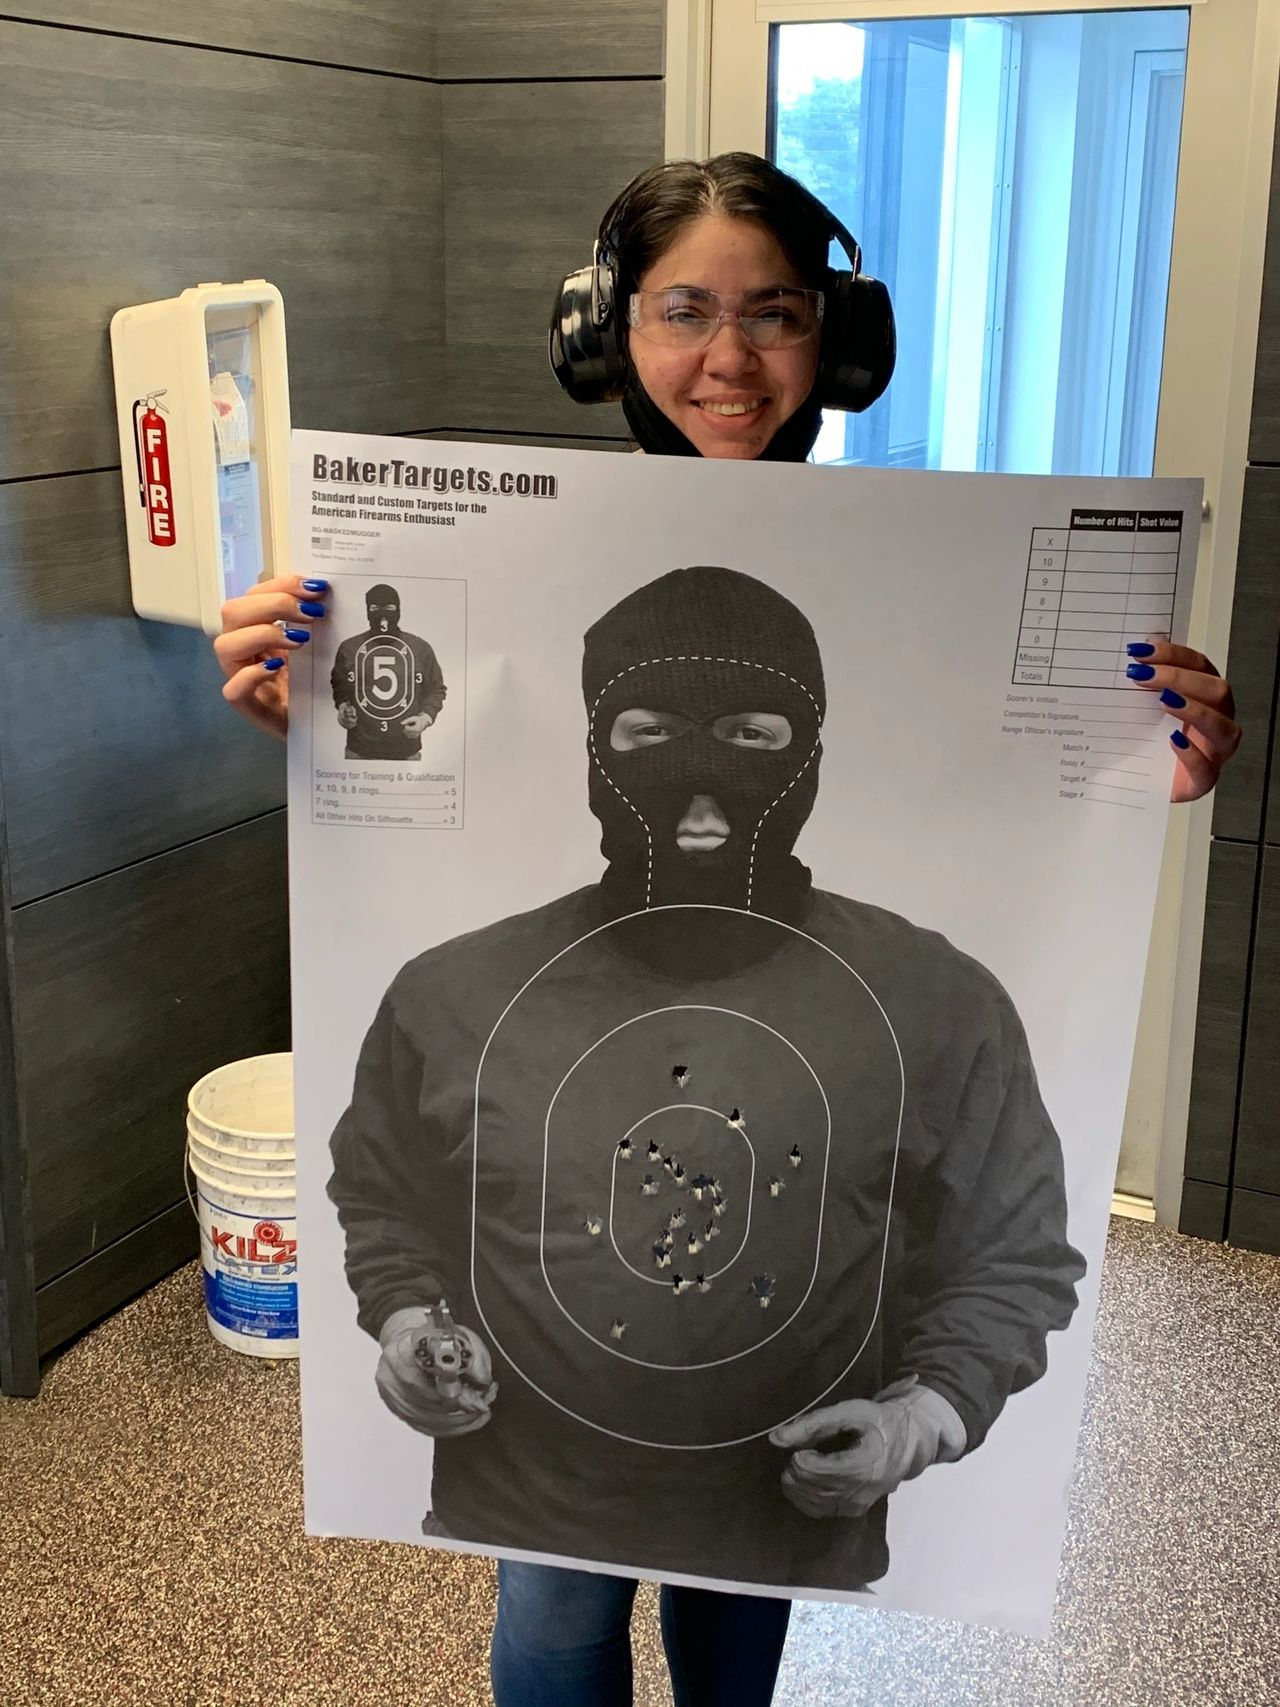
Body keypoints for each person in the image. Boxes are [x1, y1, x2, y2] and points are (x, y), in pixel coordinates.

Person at [214, 154, 1244, 1707]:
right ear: (605, 331)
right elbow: (386, 1176)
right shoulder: (456, 975)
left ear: (837, 339)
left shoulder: (931, 981)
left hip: (787, 1463)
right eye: (683, 309)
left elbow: (1015, 1238)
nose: (729, 356)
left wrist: (1119, 766)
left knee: (734, 1639)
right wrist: (412, 1310)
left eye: (774, 314)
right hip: (534, 1460)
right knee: (552, 1634)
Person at [331, 582, 446, 762]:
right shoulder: (349, 648)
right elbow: (339, 686)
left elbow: (436, 689)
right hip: (359, 752)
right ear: (367, 610)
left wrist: (424, 719)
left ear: (399, 610)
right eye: (375, 608)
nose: (383, 616)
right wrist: (343, 707)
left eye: (390, 608)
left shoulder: (420, 648)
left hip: (406, 753)